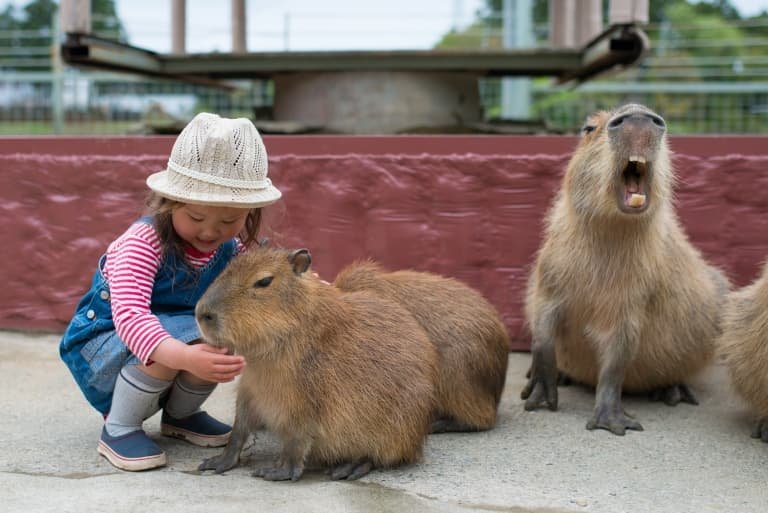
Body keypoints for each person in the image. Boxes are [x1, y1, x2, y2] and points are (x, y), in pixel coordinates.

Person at [59, 112, 282, 471]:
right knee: (176, 345)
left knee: (217, 337)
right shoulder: (142, 243)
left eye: (229, 221)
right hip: (105, 347)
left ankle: (180, 417)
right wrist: (184, 357)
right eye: (196, 218)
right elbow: (131, 318)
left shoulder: (232, 249)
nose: (210, 232)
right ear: (169, 201)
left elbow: (260, 285)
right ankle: (119, 427)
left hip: (164, 345)